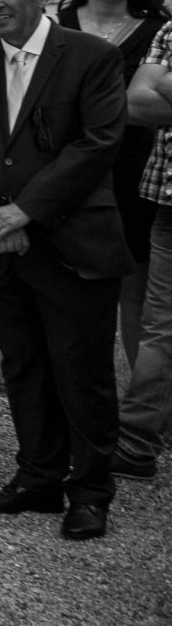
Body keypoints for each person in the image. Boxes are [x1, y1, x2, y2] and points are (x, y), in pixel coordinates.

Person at [0, 0, 129, 541]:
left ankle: (91, 492)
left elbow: (98, 143)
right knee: (24, 367)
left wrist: (25, 211)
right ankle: (39, 477)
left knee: (82, 373)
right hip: (1, 247)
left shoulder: (91, 56)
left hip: (73, 243)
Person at [54, 0, 166, 373]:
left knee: (136, 289)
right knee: (79, 290)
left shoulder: (156, 29)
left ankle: (140, 397)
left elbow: (158, 104)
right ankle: (88, 394)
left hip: (136, 168)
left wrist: (92, 106)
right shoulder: (59, 26)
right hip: (72, 168)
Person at [120, 25, 172, 480]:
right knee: (160, 328)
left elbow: (153, 92)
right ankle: (136, 445)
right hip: (168, 200)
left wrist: (165, 83)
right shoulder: (170, 30)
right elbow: (135, 103)